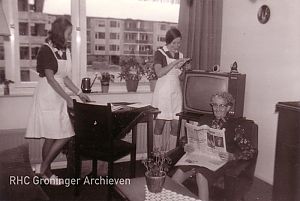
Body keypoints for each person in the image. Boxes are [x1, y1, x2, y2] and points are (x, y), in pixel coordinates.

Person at [25, 17, 90, 182]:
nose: (69, 37)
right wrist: (69, 98)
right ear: (60, 33)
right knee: (63, 135)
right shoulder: (46, 50)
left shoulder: (65, 50)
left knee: (52, 136)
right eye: (68, 33)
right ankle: (44, 169)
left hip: (58, 95)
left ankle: (45, 172)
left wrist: (79, 92)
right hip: (48, 95)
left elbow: (64, 76)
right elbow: (51, 79)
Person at [171, 92, 257, 201]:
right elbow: (186, 139)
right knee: (175, 180)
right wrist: (186, 145)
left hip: (219, 161)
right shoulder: (205, 120)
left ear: (228, 107)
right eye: (215, 105)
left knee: (201, 175)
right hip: (199, 157)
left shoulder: (235, 126)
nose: (217, 108)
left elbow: (251, 151)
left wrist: (232, 156)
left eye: (221, 105)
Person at [151, 27, 190, 151]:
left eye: (179, 42)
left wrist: (185, 68)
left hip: (175, 92)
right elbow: (159, 73)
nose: (177, 46)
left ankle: (170, 153)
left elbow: (181, 77)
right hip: (163, 92)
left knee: (176, 123)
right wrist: (174, 63)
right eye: (174, 43)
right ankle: (157, 155)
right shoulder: (160, 53)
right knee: (160, 124)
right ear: (168, 42)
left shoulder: (181, 55)